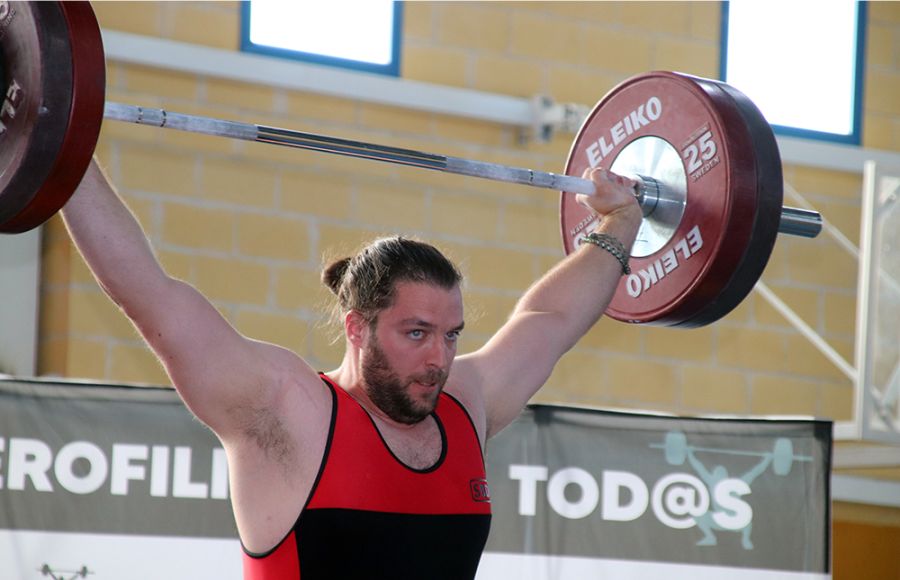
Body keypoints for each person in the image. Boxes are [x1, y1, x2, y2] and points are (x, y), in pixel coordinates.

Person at [62, 158, 642, 579]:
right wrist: (61, 146)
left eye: (451, 335)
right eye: (416, 333)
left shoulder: (466, 404)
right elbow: (146, 291)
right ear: (357, 327)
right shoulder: (288, 412)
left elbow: (550, 318)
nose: (439, 358)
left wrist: (620, 225)